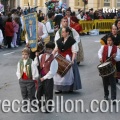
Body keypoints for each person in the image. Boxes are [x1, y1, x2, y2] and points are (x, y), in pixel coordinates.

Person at [53, 27, 82, 93]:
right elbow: (55, 49)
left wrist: (72, 60)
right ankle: (58, 88)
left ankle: (68, 88)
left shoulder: (72, 41)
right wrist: (51, 56)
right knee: (57, 73)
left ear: (67, 33)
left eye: (63, 32)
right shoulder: (59, 40)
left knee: (68, 74)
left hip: (68, 58)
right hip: (59, 58)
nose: (62, 33)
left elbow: (74, 52)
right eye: (61, 32)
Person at [34, 42, 58, 112]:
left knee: (48, 93)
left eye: (50, 49)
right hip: (41, 76)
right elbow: (36, 63)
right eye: (47, 49)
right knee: (39, 92)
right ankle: (40, 103)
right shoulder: (41, 56)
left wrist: (44, 78)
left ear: (52, 49)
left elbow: (52, 72)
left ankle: (49, 107)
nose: (48, 50)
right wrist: (36, 57)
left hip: (48, 78)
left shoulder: (53, 60)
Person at [98, 35, 120, 104]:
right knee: (105, 82)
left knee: (113, 83)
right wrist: (100, 58)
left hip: (112, 67)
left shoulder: (117, 49)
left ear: (113, 41)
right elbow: (99, 53)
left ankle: (113, 98)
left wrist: (115, 56)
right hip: (104, 67)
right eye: (108, 40)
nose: (108, 42)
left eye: (110, 40)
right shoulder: (103, 47)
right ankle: (106, 95)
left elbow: (119, 58)